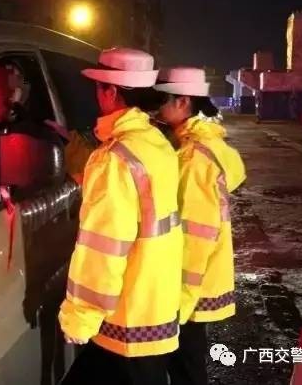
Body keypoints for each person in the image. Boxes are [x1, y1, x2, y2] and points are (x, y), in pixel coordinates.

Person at [58, 48, 183, 385]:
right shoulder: (155, 143)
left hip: (126, 319)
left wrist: (81, 318)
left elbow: (103, 249)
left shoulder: (113, 159)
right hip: (156, 303)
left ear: (111, 92)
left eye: (98, 88)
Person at [154, 67, 246, 385]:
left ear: (182, 102)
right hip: (200, 282)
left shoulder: (193, 159)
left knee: (187, 368)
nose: (153, 109)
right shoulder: (205, 144)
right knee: (189, 364)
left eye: (160, 101)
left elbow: (196, 236)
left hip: (187, 289)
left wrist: (179, 302)